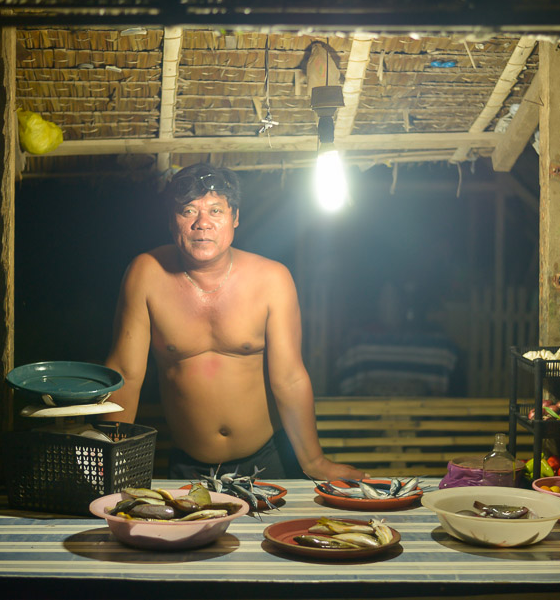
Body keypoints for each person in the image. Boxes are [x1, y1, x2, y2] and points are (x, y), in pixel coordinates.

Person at [101, 163, 365, 482]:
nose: (203, 224)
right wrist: (111, 460)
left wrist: (315, 462)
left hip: (270, 460)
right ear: (172, 220)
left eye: (216, 210)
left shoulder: (272, 279)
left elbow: (290, 378)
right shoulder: (147, 273)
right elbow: (125, 375)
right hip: (189, 465)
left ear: (235, 217)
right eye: (188, 211)